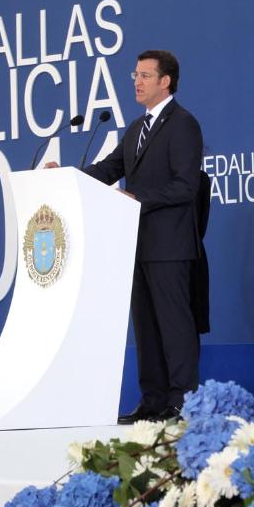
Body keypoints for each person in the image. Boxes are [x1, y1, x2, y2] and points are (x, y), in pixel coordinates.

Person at [84, 50, 205, 424]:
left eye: (145, 75)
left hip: (169, 244)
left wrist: (138, 198)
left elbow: (186, 186)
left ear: (165, 81)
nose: (137, 82)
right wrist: (67, 177)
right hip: (135, 243)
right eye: (135, 75)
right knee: (146, 327)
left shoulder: (183, 124)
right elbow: (110, 168)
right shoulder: (136, 127)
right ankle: (152, 400)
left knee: (174, 325)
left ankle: (182, 401)